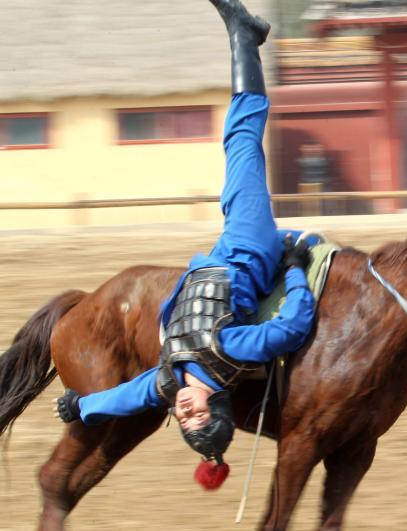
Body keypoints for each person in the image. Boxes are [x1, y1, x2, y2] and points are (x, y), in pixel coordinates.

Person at [55, 0, 315, 487]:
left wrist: (82, 405)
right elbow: (292, 328)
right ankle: (245, 35)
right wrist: (296, 267)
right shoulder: (231, 351)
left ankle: (245, 36)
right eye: (199, 418)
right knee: (241, 142)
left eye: (185, 423)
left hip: (214, 254)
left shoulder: (169, 381)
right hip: (247, 250)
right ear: (214, 406)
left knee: (235, 156)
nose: (185, 412)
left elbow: (128, 396)